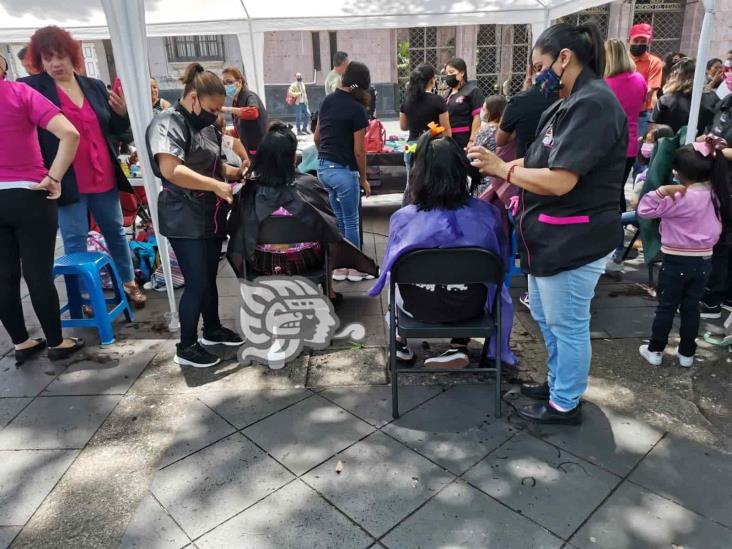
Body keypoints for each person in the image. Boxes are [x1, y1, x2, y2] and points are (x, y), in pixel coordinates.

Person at [468, 22, 628, 425]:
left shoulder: (593, 105)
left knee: (568, 324)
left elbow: (560, 179)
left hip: (575, 238)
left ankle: (565, 402)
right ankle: (558, 383)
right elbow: (538, 161)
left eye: (539, 66)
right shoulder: (566, 105)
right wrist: (496, 163)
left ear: (564, 58)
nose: (535, 76)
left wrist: (503, 170)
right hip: (548, 239)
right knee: (547, 317)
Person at [20, 25, 146, 309]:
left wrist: (122, 115)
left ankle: (129, 283)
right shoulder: (32, 88)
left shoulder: (94, 86)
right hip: (66, 178)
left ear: (72, 56)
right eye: (47, 57)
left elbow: (115, 130)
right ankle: (83, 295)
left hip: (103, 175)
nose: (54, 63)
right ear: (38, 60)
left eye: (60, 56)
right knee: (74, 240)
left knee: (115, 232)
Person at [369, 131, 516, 369]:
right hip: (470, 308)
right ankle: (459, 345)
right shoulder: (488, 215)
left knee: (393, 270)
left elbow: (389, 270)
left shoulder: (403, 219)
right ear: (462, 170)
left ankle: (399, 344)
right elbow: (501, 266)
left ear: (419, 171)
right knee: (481, 277)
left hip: (417, 306)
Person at [146, 62, 246, 368]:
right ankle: (186, 346)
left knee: (208, 278)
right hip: (182, 216)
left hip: (209, 215)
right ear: (193, 98)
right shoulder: (167, 123)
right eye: (213, 108)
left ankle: (212, 328)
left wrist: (238, 171)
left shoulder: (206, 127)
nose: (216, 114)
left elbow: (215, 166)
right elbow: (171, 170)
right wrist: (216, 184)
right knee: (197, 281)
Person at [226, 122, 377, 297]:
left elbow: (236, 229)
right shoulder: (309, 185)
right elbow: (330, 227)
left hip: (262, 262)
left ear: (262, 157)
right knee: (329, 236)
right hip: (306, 260)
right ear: (293, 158)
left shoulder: (249, 191)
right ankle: (330, 292)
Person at [0, 63, 86, 363]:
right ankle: (55, 342)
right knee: (37, 273)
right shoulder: (20, 93)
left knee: (3, 276)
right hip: (29, 193)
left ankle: (21, 342)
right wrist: (55, 177)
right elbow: (70, 134)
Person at [637, 141, 730, 367]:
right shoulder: (718, 196)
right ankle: (687, 354)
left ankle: (656, 350)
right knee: (691, 307)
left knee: (666, 307)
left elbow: (644, 210)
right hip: (704, 261)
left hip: (675, 260)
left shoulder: (678, 196)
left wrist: (661, 191)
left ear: (678, 173)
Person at [314, 61, 373, 282]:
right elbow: (360, 151)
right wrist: (364, 179)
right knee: (351, 221)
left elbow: (317, 137)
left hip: (324, 170)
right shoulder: (357, 109)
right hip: (344, 172)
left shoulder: (327, 101)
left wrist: (327, 156)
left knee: (338, 222)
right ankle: (356, 269)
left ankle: (339, 269)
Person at [604, 39, 648, 273]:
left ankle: (615, 248)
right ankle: (618, 247)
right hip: (630, 145)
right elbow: (641, 106)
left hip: (610, 147)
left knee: (610, 197)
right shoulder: (639, 79)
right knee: (619, 193)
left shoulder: (605, 84)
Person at [399, 63, 451, 198]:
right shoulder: (438, 101)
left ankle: (410, 213)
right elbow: (446, 130)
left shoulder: (407, 101)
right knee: (433, 185)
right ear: (431, 80)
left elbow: (403, 126)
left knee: (412, 185)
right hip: (432, 147)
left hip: (411, 147)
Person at [496, 64, 558, 158]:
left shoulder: (519, 102)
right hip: (558, 161)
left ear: (530, 70)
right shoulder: (569, 98)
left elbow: (500, 140)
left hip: (526, 164)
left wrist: (523, 92)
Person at [651, 58, 715, 134]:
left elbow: (653, 126)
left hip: (668, 143)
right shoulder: (713, 98)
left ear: (675, 77)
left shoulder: (666, 100)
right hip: (701, 143)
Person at [628, 23, 663, 148]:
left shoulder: (655, 62)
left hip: (640, 114)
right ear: (628, 40)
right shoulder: (622, 60)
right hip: (619, 113)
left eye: (643, 41)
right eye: (636, 40)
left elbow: (650, 90)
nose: (639, 44)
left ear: (649, 42)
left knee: (636, 148)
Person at [221, 66, 268, 157]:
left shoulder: (249, 96)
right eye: (224, 83)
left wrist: (227, 109)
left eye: (230, 82)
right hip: (249, 150)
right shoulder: (236, 102)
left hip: (259, 151)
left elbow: (253, 113)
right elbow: (242, 127)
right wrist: (229, 133)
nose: (226, 86)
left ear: (239, 82)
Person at [443, 57, 484, 151]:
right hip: (448, 139)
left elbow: (477, 117)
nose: (448, 75)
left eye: (451, 72)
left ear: (462, 72)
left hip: (464, 139)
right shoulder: (447, 94)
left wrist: (472, 140)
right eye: (447, 73)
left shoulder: (473, 91)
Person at [473, 95, 508, 196]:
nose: (482, 111)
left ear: (491, 111)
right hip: (505, 173)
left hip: (487, 176)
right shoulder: (507, 129)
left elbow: (475, 152)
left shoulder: (487, 129)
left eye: (484, 108)